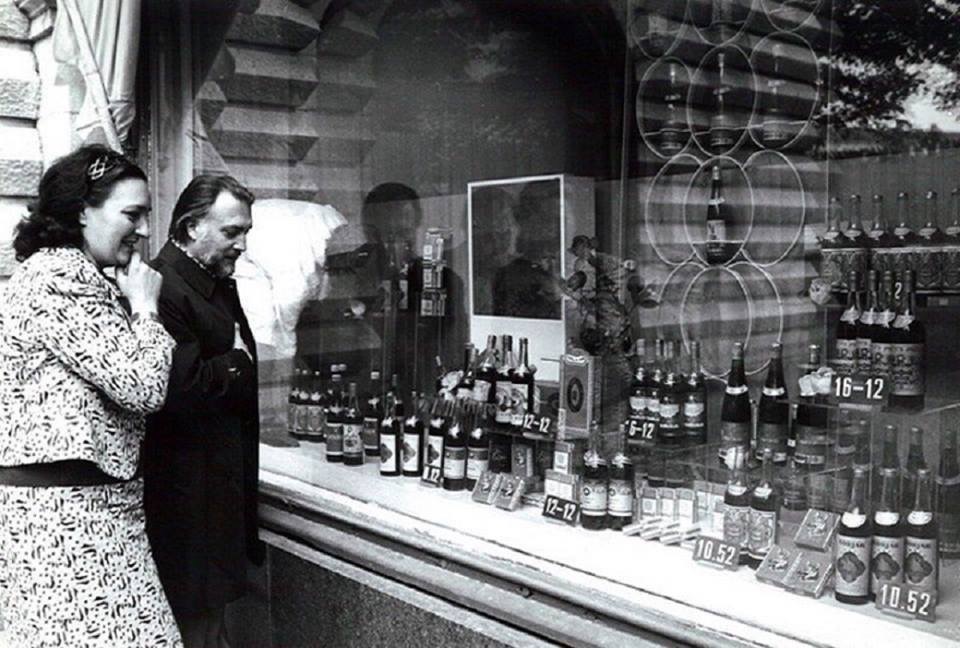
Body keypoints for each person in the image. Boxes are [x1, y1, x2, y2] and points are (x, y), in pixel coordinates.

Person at [0, 144, 181, 646]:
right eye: (132, 214)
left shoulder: (58, 274)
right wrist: (145, 309)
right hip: (72, 522)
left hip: (72, 513)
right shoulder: (62, 277)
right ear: (82, 210)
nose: (145, 229)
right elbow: (143, 387)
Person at [143, 174, 263, 648]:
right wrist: (235, 363)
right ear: (192, 227)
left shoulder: (207, 278)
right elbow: (176, 390)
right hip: (188, 504)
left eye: (245, 233)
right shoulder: (166, 287)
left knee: (208, 630)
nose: (242, 245)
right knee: (197, 631)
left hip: (213, 498)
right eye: (232, 232)